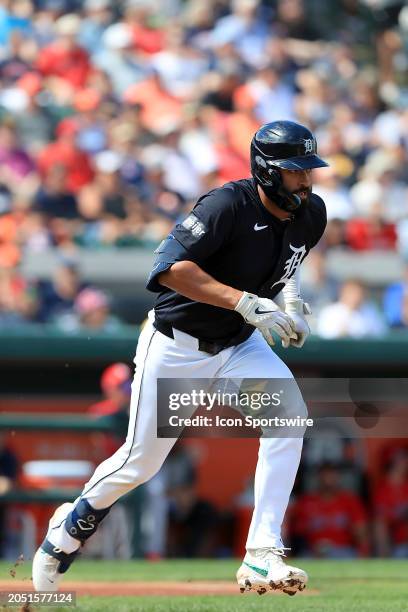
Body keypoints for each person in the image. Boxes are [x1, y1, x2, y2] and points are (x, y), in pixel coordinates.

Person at [32, 119, 328, 596]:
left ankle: (261, 553)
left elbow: (288, 264)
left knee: (289, 418)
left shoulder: (312, 214)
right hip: (178, 344)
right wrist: (245, 302)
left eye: (308, 169)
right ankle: (68, 528)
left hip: (238, 346)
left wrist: (291, 305)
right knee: (140, 463)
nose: (306, 179)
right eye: (296, 171)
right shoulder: (227, 204)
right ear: (268, 170)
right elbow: (167, 268)